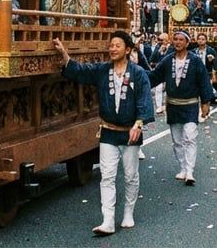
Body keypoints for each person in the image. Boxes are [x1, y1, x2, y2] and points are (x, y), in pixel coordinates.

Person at [53, 32, 154, 236]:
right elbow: (80, 71)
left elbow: (144, 99)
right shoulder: (102, 70)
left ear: (127, 49)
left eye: (117, 46)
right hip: (108, 131)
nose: (113, 49)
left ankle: (128, 212)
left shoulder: (139, 73)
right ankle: (108, 220)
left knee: (131, 176)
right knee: (107, 177)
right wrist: (63, 53)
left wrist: (139, 123)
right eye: (111, 46)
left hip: (130, 133)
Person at [147, 30, 213, 185]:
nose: (177, 42)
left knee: (190, 137)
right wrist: (137, 76)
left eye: (181, 39)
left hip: (190, 104)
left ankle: (190, 171)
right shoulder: (168, 60)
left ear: (187, 43)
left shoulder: (196, 61)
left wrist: (205, 103)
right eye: (175, 39)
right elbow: (154, 77)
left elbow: (204, 82)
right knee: (177, 140)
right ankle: (183, 167)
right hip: (173, 105)